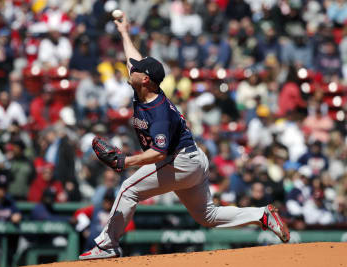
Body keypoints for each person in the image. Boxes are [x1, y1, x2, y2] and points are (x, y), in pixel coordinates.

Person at [78, 12, 290, 260]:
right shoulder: (144, 88)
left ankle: (107, 245)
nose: (129, 68)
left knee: (128, 189)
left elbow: (158, 153)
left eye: (135, 69)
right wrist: (124, 32)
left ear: (145, 79)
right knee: (207, 216)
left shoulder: (157, 112)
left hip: (179, 161)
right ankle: (262, 215)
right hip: (193, 159)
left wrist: (125, 161)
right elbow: (132, 57)